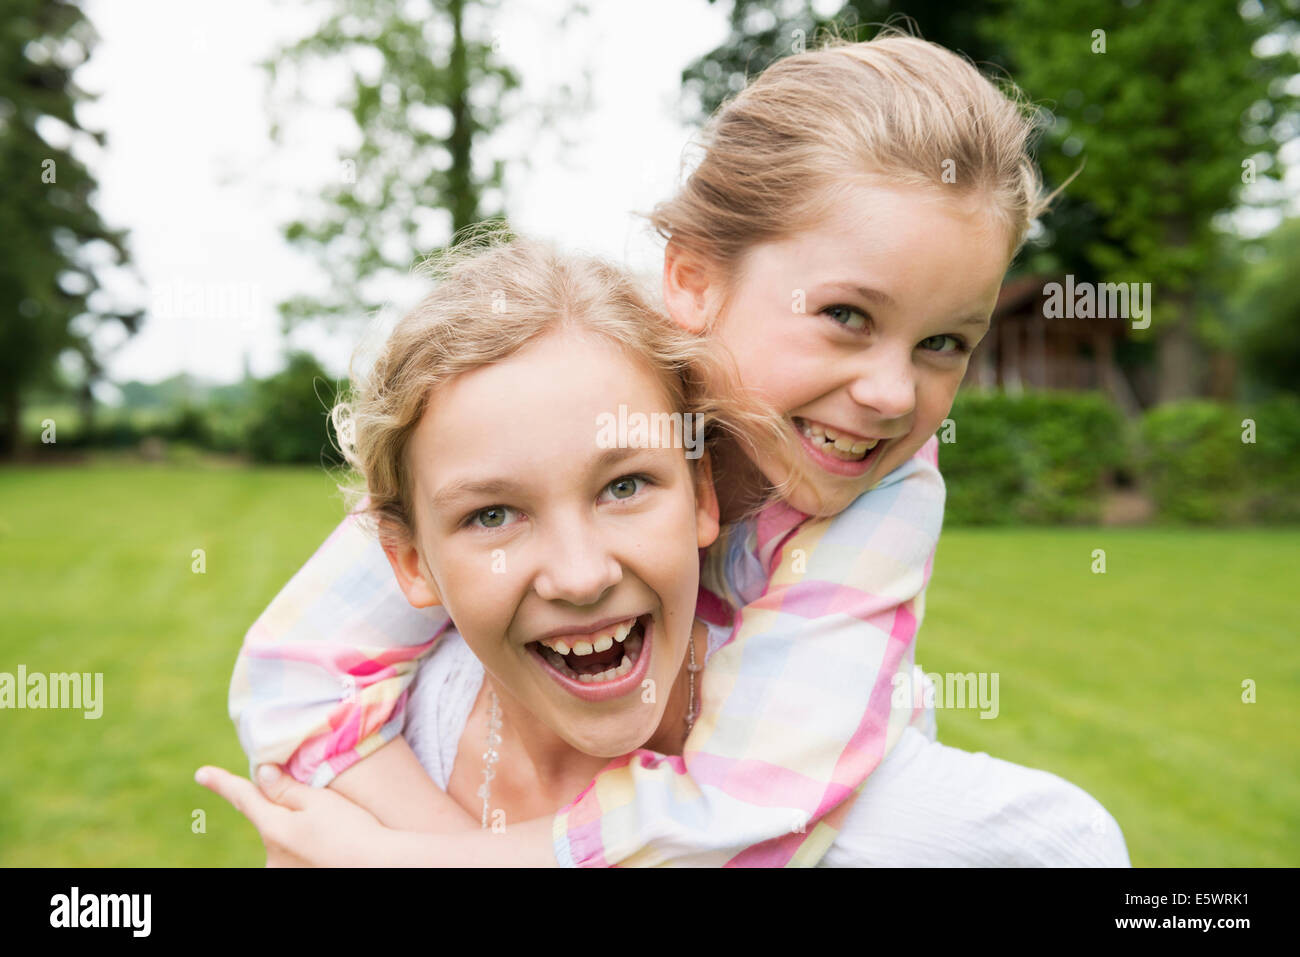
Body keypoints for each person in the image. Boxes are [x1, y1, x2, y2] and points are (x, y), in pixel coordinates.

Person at [224, 29, 1098, 867]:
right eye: (845, 317)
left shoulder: (892, 491)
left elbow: (748, 805)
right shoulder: (569, 390)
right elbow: (299, 668)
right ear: (692, 280)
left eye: (944, 343)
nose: (893, 394)